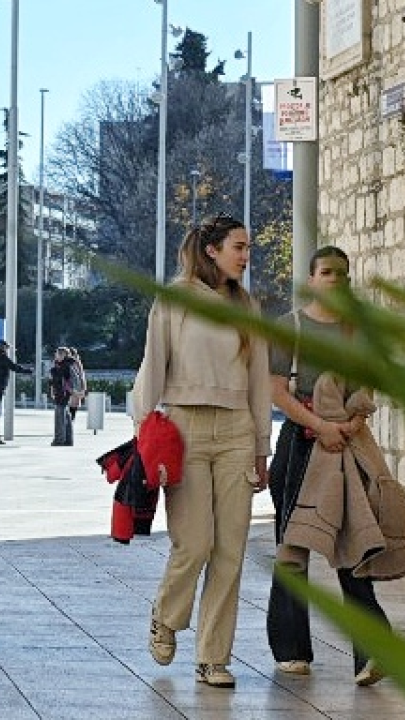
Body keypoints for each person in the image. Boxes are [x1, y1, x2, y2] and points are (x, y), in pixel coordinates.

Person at [131, 214, 272, 689]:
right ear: (212, 249)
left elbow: (257, 381)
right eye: (239, 246)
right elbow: (153, 365)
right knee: (194, 544)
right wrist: (142, 435)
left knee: (231, 550)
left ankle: (214, 658)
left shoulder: (247, 307)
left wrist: (260, 449)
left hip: (236, 429)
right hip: (184, 427)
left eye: (248, 247)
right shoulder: (174, 300)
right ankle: (166, 614)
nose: (246, 255)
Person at [266, 246, 392, 687]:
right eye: (326, 272)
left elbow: (365, 390)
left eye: (342, 273)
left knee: (352, 546)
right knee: (292, 548)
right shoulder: (290, 327)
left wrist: (350, 425)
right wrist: (319, 425)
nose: (334, 280)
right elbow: (277, 392)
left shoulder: (359, 332)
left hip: (346, 448)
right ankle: (291, 649)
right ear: (311, 278)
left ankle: (371, 653)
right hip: (300, 447)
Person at [0, 339, 32, 445]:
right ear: (2, 347)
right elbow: (14, 367)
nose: (7, 350)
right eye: (6, 347)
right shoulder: (2, 357)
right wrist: (28, 371)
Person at [49, 347, 76, 446]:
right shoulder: (66, 364)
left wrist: (53, 371)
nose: (55, 356)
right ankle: (68, 440)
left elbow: (59, 379)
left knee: (59, 417)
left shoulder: (65, 365)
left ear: (63, 355)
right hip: (63, 393)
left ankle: (59, 440)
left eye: (57, 354)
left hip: (62, 393)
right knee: (66, 416)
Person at [66, 347, 87, 423]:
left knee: (74, 403)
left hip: (76, 385)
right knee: (72, 403)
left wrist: (83, 387)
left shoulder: (77, 362)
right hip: (72, 385)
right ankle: (70, 419)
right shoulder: (67, 362)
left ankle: (71, 419)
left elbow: (81, 375)